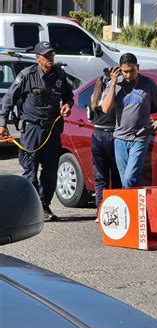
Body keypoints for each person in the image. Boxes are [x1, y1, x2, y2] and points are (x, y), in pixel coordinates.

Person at [0, 41, 73, 222]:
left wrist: (67, 105)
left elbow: (69, 96)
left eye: (52, 56)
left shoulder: (59, 75)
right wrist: (2, 124)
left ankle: (44, 206)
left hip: (52, 129)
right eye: (46, 56)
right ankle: (30, 208)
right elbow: (8, 100)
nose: (50, 59)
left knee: (50, 171)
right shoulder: (27, 76)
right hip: (32, 129)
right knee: (30, 170)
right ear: (37, 58)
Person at [101, 53, 157, 188]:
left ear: (138, 67)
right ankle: (135, 207)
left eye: (131, 70)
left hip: (139, 137)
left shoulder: (148, 84)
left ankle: (134, 206)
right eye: (125, 71)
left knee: (129, 179)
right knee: (127, 182)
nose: (128, 75)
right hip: (120, 139)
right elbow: (105, 108)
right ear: (120, 69)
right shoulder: (114, 84)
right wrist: (114, 83)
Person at [88, 71, 121, 217]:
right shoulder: (113, 93)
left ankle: (100, 211)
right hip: (112, 135)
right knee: (116, 174)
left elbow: (89, 118)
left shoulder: (94, 96)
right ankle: (117, 210)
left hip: (96, 135)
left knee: (100, 176)